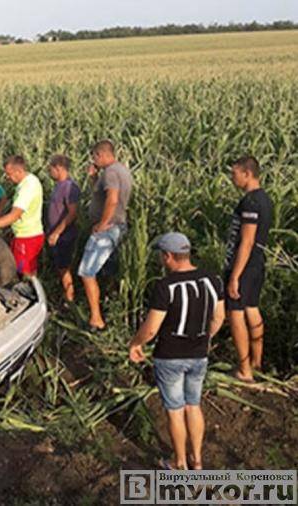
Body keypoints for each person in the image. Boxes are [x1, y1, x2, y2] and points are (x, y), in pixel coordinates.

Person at [129, 232, 225, 471]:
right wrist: (204, 338)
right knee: (194, 405)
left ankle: (179, 463)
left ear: (168, 256)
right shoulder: (213, 280)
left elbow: (151, 329)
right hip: (199, 355)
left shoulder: (166, 286)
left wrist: (135, 344)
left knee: (175, 410)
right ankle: (197, 461)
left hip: (169, 357)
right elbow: (219, 316)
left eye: (162, 257)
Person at [224, 155, 273, 383]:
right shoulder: (265, 199)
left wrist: (234, 275)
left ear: (247, 173)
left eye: (235, 173)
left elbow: (247, 241)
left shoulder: (251, 202)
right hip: (257, 264)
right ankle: (256, 361)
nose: (232, 178)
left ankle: (245, 370)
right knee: (252, 308)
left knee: (236, 313)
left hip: (244, 265)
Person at [78, 140, 133, 331]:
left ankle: (96, 319)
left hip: (107, 229)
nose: (93, 160)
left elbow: (112, 198)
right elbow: (104, 194)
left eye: (94, 156)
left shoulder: (110, 172)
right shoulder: (121, 170)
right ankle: (110, 307)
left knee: (86, 272)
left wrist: (102, 224)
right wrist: (94, 179)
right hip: (118, 225)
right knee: (108, 270)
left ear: (101, 155)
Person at [0, 156, 44, 276]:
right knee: (28, 270)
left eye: (9, 174)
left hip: (26, 238)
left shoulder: (27, 188)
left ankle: (26, 292)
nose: (7, 178)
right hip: (27, 235)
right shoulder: (30, 180)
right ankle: (33, 290)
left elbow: (14, 216)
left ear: (19, 171)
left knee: (22, 271)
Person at [46, 154, 81, 303]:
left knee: (64, 268)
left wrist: (57, 233)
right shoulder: (59, 186)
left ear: (58, 168)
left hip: (64, 236)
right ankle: (66, 297)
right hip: (57, 234)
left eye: (51, 169)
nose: (49, 173)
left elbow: (72, 213)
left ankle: (70, 300)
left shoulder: (69, 187)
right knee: (60, 267)